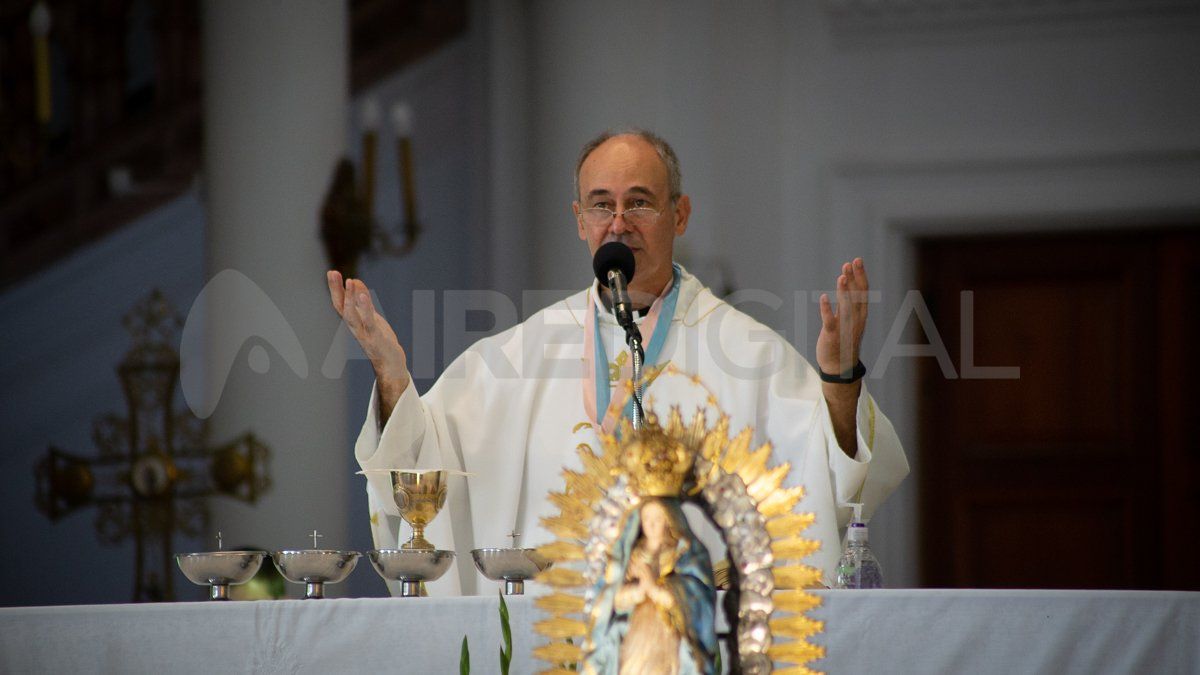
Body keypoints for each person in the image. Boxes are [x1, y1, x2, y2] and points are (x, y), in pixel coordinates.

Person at [328, 129, 909, 595]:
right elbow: (425, 465)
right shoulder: (514, 357)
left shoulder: (749, 355)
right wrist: (392, 376)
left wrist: (839, 376)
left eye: (640, 204)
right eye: (601, 205)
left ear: (679, 216)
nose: (618, 224)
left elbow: (833, 474)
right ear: (579, 220)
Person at [590, 498, 717, 675]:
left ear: (669, 519)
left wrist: (655, 589)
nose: (651, 523)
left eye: (657, 518)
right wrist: (639, 591)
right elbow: (614, 599)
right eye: (646, 517)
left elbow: (697, 598)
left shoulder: (680, 553)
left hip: (666, 630)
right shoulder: (632, 555)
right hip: (636, 629)